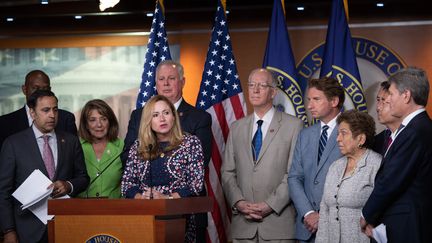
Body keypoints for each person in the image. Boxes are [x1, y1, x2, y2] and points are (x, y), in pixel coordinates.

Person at [123, 60, 211, 241]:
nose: (161, 119)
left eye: (166, 113)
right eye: (155, 115)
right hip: (145, 219)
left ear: (173, 116)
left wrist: (167, 198)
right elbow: (126, 184)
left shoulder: (191, 142)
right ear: (148, 120)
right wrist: (141, 197)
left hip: (183, 219)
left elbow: (196, 183)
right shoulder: (138, 147)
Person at [221, 68, 303, 242]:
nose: (255, 90)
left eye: (262, 85)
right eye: (251, 85)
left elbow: (294, 173)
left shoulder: (294, 126)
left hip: (278, 227)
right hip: (242, 228)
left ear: (273, 92)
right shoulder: (236, 127)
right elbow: (227, 172)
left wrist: (270, 205)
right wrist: (239, 203)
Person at [0, 90, 89, 243]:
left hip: (64, 227)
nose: (52, 115)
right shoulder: (13, 144)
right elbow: (3, 192)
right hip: (27, 231)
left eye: (55, 109)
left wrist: (68, 185)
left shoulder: (70, 141)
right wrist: (8, 231)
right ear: (32, 113)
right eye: (45, 110)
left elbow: (83, 178)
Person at [361, 67, 432, 243]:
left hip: (408, 226)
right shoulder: (417, 128)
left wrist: (366, 214)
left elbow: (391, 180)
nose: (387, 101)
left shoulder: (415, 131)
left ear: (406, 96)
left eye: (390, 95)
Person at [288, 77, 344, 242]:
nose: (309, 105)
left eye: (316, 99)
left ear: (334, 101)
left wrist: (324, 216)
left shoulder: (353, 133)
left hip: (337, 228)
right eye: (309, 100)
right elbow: (294, 177)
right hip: (305, 228)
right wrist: (308, 213)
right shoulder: (305, 135)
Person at [315, 110, 382, 243]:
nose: (338, 138)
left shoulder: (376, 164)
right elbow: (325, 210)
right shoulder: (335, 166)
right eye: (338, 133)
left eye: (343, 133)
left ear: (361, 139)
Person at [0, 70, 77, 148]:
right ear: (24, 89)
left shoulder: (66, 119)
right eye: (35, 88)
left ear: (50, 90)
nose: (40, 93)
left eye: (45, 89)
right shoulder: (5, 123)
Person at [77, 99, 124, 199]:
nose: (99, 125)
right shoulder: (76, 147)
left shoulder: (122, 146)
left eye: (103, 119)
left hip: (115, 210)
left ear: (110, 122)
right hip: (81, 211)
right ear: (86, 124)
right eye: (92, 120)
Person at [372, 81, 402, 156]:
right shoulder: (374, 142)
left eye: (384, 101)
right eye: (378, 100)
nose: (378, 107)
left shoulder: (412, 137)